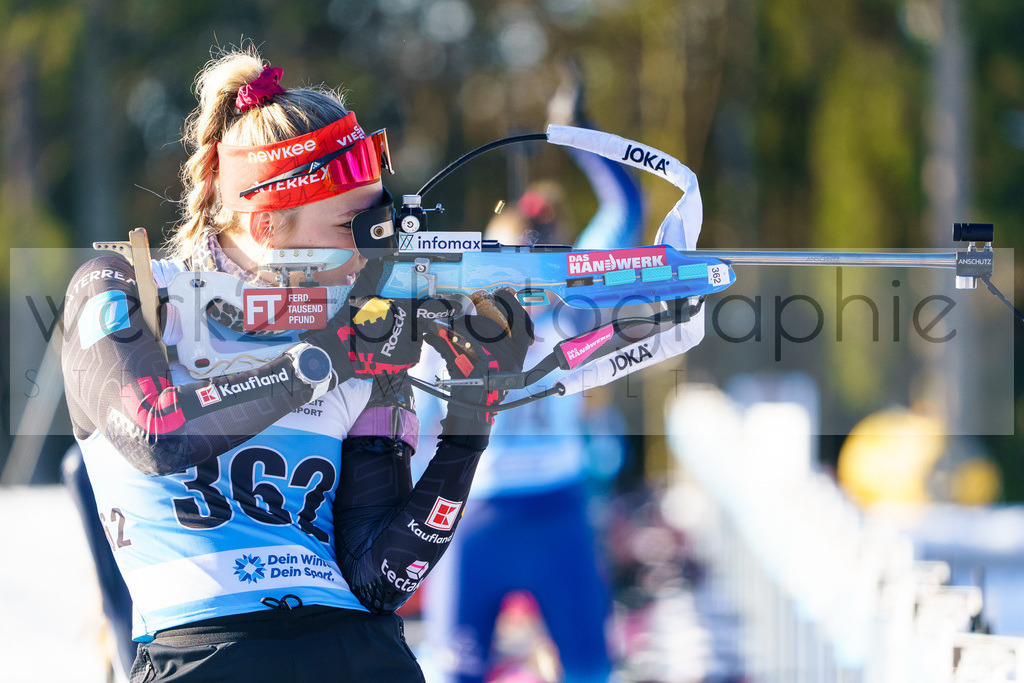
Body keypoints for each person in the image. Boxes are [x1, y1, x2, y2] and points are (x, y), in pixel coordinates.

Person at [61, 46, 532, 682]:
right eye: (352, 225)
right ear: (269, 226)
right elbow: (160, 434)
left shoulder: (362, 333)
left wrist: (473, 414)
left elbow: (380, 580)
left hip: (357, 649)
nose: (377, 244)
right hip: (205, 652)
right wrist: (328, 359)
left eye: (381, 220)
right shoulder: (126, 289)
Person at [417, 72, 644, 683]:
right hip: (489, 515)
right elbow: (410, 422)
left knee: (588, 670)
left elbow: (626, 211)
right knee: (454, 673)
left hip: (542, 512)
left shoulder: (573, 297)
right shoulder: (458, 311)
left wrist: (579, 134)